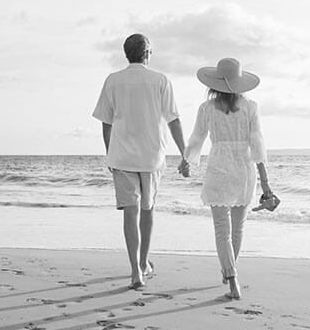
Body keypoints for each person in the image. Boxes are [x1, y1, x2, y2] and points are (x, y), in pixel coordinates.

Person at [92, 33, 188, 290]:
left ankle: (136, 271)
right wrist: (184, 153)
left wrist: (109, 152)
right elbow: (173, 119)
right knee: (147, 210)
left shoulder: (113, 80)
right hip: (152, 156)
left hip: (122, 155)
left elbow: (106, 123)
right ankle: (144, 262)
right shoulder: (160, 80)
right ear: (148, 53)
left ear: (127, 54)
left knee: (130, 213)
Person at [182, 57, 274, 300]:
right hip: (244, 169)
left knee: (222, 230)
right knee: (238, 228)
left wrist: (187, 160)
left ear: (214, 84)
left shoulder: (206, 108)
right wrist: (265, 182)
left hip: (219, 168)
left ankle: (232, 279)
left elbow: (197, 138)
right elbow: (258, 145)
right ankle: (230, 271)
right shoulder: (251, 107)